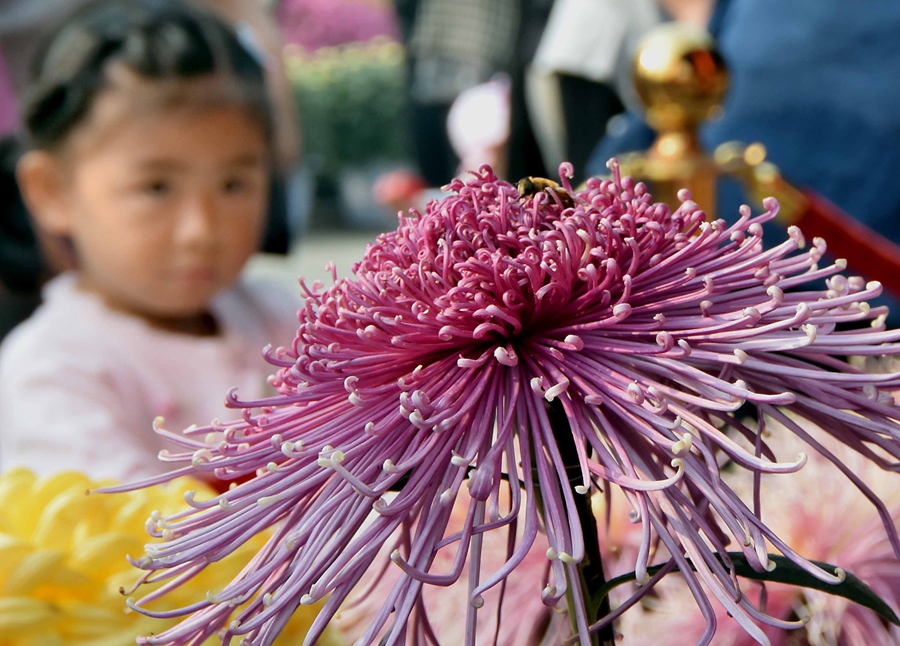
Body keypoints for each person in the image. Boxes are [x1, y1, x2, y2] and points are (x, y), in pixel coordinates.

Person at [0, 0, 299, 482]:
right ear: (51, 191)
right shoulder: (54, 370)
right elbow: (130, 544)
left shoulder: (281, 321)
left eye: (234, 185)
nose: (201, 229)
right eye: (156, 188)